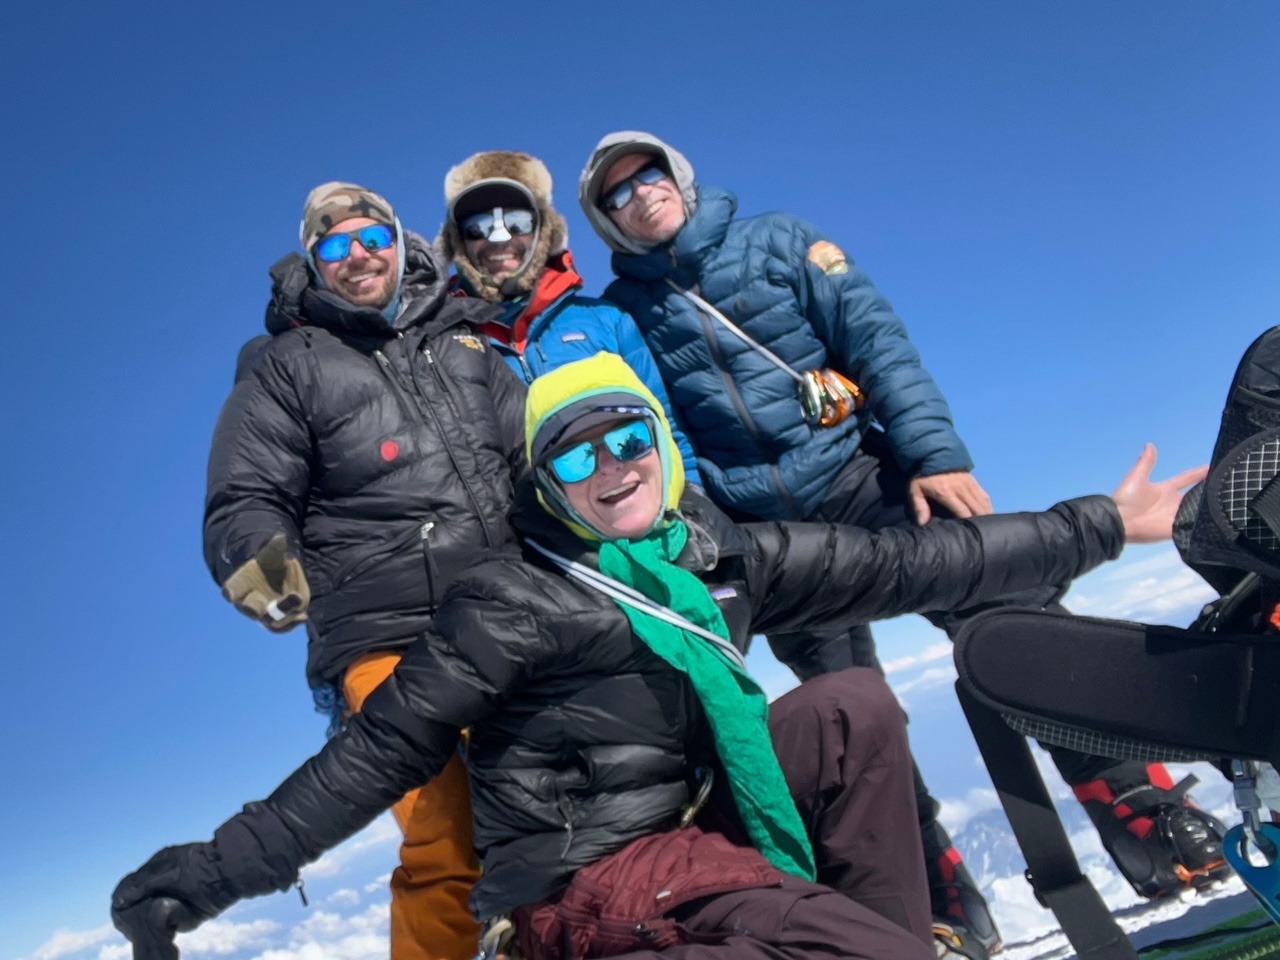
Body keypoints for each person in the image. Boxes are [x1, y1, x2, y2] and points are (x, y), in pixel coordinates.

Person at [116, 353, 1197, 960]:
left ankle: (869, 939)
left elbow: (911, 562)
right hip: (584, 883)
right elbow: (375, 754)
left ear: (660, 447)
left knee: (849, 702)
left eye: (627, 435)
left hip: (698, 838)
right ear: (547, 488)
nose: (611, 466)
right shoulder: (510, 600)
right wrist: (204, 881)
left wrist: (1102, 522)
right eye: (574, 454)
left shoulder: (719, 555)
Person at [576, 132, 1223, 945]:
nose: (640, 194)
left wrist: (933, 455)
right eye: (617, 194)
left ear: (681, 178)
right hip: (772, 535)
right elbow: (661, 434)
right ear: (607, 223)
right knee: (857, 715)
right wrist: (719, 538)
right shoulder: (625, 316)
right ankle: (939, 896)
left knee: (1012, 616)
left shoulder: (776, 240)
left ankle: (1139, 808)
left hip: (864, 476)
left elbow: (873, 337)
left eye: (649, 175)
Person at [204, 182, 528, 960]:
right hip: (387, 634)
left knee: (578, 785)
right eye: (334, 245)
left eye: (369, 237)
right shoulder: (285, 368)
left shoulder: (466, 343)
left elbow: (533, 453)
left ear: (399, 240)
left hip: (510, 606)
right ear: (312, 264)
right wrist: (262, 563)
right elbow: (245, 493)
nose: (358, 256)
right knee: (444, 830)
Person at [436, 149, 702, 484]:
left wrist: (693, 505)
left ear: (543, 231)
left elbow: (666, 429)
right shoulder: (441, 343)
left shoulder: (606, 321)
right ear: (458, 242)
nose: (499, 237)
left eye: (517, 222)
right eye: (478, 227)